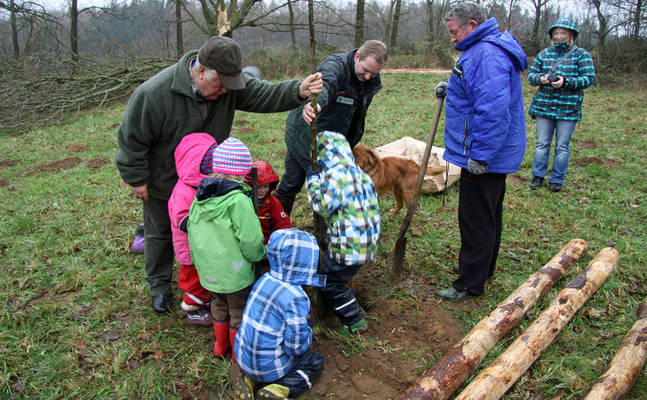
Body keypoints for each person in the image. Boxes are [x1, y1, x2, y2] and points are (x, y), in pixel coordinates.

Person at [115, 35, 323, 315]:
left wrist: (297, 90)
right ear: (201, 71)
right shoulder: (154, 94)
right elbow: (132, 139)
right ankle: (159, 286)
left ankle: (207, 284)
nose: (226, 90)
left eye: (230, 84)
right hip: (163, 179)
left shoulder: (227, 86)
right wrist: (136, 177)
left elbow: (263, 93)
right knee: (160, 231)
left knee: (210, 232)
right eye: (221, 83)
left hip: (208, 182)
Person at [434, 2, 528, 300]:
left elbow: (492, 110)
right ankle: (481, 268)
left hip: (482, 155)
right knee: (489, 215)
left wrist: (481, 155)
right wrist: (453, 86)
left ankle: (469, 284)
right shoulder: (485, 49)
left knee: (474, 219)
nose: (451, 38)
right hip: (489, 151)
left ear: (471, 26)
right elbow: (478, 91)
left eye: (454, 31)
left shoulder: (486, 54)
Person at [274, 40, 388, 215]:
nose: (368, 77)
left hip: (336, 141)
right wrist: (316, 102)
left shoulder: (370, 80)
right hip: (307, 132)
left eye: (373, 74)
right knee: (293, 179)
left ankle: (325, 230)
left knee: (329, 186)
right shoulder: (336, 65)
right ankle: (276, 223)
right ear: (357, 57)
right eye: (365, 70)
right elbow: (325, 82)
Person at [186, 137, 265, 361]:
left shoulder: (199, 198)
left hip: (208, 271)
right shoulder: (238, 201)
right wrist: (259, 256)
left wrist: (197, 261)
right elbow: (249, 240)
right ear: (241, 172)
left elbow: (192, 232)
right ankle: (237, 354)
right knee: (238, 310)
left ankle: (220, 346)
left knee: (218, 304)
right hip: (235, 273)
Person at [233, 228, 326, 400]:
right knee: (314, 362)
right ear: (308, 263)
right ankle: (279, 388)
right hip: (271, 368)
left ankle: (247, 378)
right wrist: (308, 334)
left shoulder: (263, 279)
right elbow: (295, 347)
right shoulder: (297, 298)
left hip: (242, 358)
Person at [305, 131, 380, 334]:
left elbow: (321, 205)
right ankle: (331, 301)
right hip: (368, 241)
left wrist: (312, 181)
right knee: (335, 275)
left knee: (331, 283)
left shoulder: (334, 176)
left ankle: (354, 320)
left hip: (349, 247)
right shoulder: (361, 174)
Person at [528, 18, 596, 193]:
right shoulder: (544, 54)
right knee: (542, 143)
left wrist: (565, 82)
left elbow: (588, 78)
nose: (559, 36)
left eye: (563, 33)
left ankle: (557, 179)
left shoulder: (581, 55)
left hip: (568, 108)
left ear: (571, 35)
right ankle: (537, 176)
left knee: (562, 146)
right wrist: (541, 79)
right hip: (544, 107)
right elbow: (531, 75)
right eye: (556, 33)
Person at [167, 133, 218, 326]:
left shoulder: (204, 185)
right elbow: (183, 220)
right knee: (192, 278)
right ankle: (193, 307)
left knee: (205, 274)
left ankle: (205, 298)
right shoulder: (184, 191)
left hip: (204, 246)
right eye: (209, 166)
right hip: (190, 249)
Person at [243, 161, 292, 245]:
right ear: (250, 185)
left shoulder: (272, 203)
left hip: (267, 242)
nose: (262, 191)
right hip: (246, 241)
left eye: (266, 186)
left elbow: (283, 224)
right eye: (258, 187)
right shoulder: (242, 200)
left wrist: (274, 241)